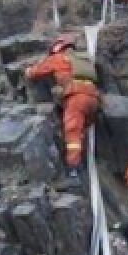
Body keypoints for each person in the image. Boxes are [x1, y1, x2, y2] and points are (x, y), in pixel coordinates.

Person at [24, 33, 98, 186]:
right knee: (81, 131)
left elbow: (36, 71)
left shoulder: (58, 58)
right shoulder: (82, 58)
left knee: (72, 133)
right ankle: (80, 159)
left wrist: (28, 71)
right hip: (93, 100)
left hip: (77, 99)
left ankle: (73, 171)